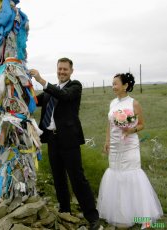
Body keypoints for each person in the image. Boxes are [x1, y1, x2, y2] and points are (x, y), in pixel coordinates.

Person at [29, 57, 103, 230]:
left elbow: (64, 95)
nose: (62, 72)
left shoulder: (75, 86)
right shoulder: (49, 92)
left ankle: (92, 217)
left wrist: (41, 80)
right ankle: (65, 210)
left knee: (77, 178)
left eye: (65, 69)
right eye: (59, 69)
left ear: (71, 71)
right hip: (52, 140)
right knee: (58, 177)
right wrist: (22, 86)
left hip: (69, 140)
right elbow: (34, 101)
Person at [97, 73, 163, 229]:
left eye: (116, 84)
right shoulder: (112, 103)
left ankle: (141, 217)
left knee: (131, 175)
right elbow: (109, 124)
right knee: (116, 175)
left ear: (125, 86)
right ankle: (120, 214)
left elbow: (141, 125)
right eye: (112, 84)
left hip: (129, 146)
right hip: (115, 146)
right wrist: (107, 141)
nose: (113, 87)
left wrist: (130, 130)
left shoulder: (134, 103)